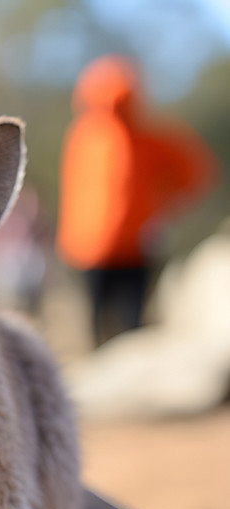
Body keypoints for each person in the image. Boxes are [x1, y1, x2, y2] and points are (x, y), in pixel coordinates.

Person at [56, 54, 218, 346]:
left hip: (133, 247)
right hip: (89, 248)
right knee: (98, 324)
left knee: (131, 325)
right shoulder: (82, 136)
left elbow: (195, 172)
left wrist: (163, 215)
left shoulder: (149, 138)